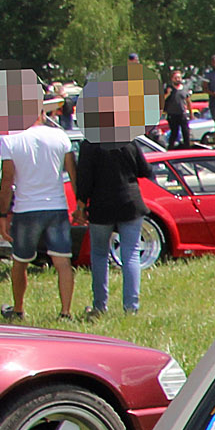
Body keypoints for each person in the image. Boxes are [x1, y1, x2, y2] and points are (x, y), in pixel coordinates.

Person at [0, 109, 78, 320]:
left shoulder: (11, 140)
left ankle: (18, 309)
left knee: (20, 262)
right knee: (63, 262)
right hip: (56, 207)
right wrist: (81, 206)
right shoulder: (60, 136)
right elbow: (73, 174)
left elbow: (7, 181)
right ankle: (65, 312)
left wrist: (3, 214)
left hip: (26, 208)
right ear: (41, 113)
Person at [75, 119, 155, 315]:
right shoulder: (128, 140)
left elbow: (84, 179)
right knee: (131, 254)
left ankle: (99, 305)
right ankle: (131, 307)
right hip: (130, 202)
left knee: (100, 254)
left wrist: (81, 205)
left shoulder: (89, 144)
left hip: (101, 206)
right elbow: (145, 170)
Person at [161, 70, 189, 149]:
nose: (177, 79)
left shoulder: (184, 88)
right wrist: (168, 94)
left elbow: (188, 100)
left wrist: (190, 113)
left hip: (182, 113)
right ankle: (171, 148)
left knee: (186, 132)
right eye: (175, 78)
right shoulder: (169, 88)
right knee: (174, 133)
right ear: (172, 79)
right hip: (172, 114)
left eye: (179, 77)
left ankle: (187, 148)